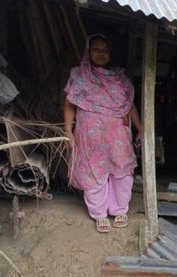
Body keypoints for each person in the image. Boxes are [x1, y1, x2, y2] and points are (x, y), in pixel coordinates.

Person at [64, 34, 142, 233]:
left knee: (122, 172)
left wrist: (140, 128)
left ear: (110, 54)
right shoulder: (79, 75)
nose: (101, 53)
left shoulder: (120, 78)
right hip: (90, 137)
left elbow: (129, 105)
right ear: (88, 52)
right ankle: (99, 214)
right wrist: (68, 131)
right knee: (93, 173)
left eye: (105, 50)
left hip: (118, 136)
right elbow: (70, 105)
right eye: (96, 49)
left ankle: (119, 210)